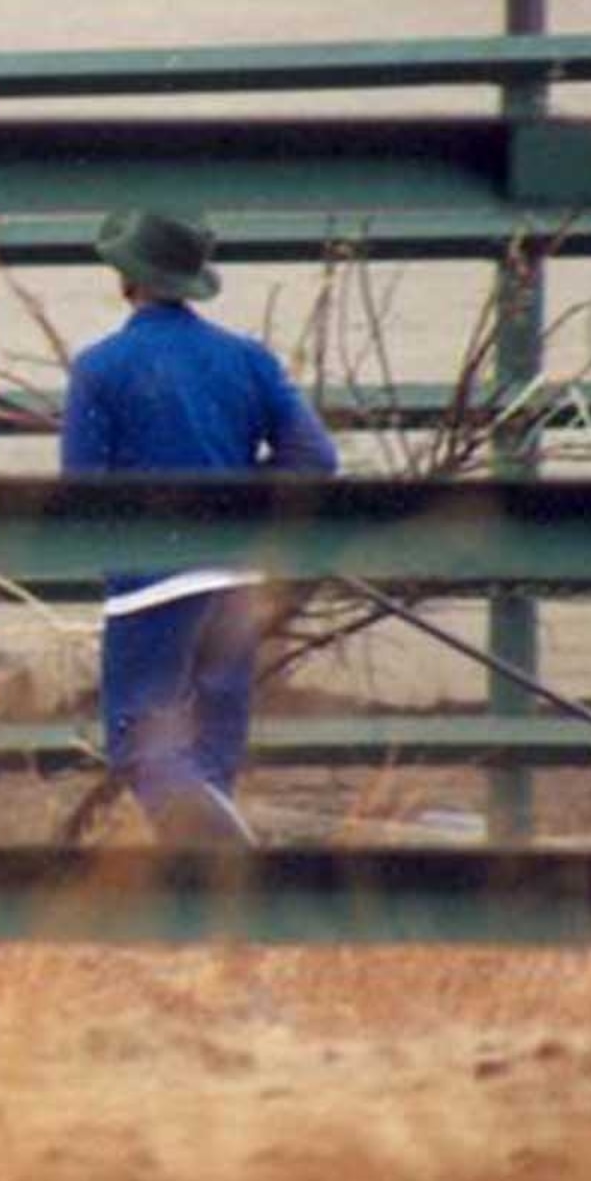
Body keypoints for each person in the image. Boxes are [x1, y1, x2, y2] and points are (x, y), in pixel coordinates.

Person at [60, 211, 340, 847]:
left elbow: (82, 489)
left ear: (126, 278)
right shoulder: (248, 359)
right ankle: (215, 890)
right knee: (210, 756)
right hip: (234, 580)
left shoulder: (99, 368)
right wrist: (238, 491)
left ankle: (232, 861)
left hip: (149, 585)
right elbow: (315, 457)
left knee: (141, 745)